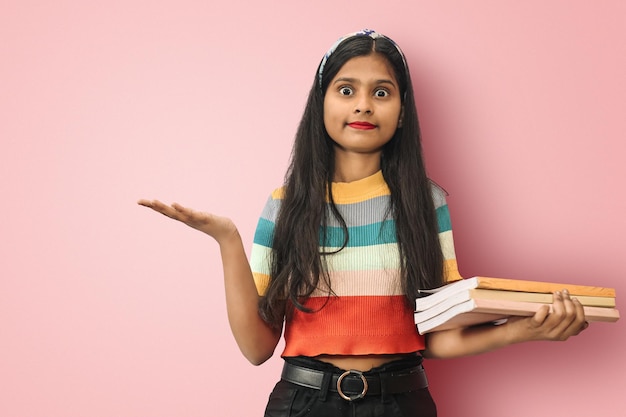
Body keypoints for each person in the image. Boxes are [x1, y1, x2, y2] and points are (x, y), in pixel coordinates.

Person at [138, 29, 588, 417]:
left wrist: (524, 330)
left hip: (403, 401)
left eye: (382, 92)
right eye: (346, 89)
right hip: (303, 402)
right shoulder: (285, 205)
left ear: (403, 109)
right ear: (322, 103)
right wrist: (227, 240)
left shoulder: (425, 204)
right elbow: (257, 348)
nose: (364, 106)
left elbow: (437, 337)